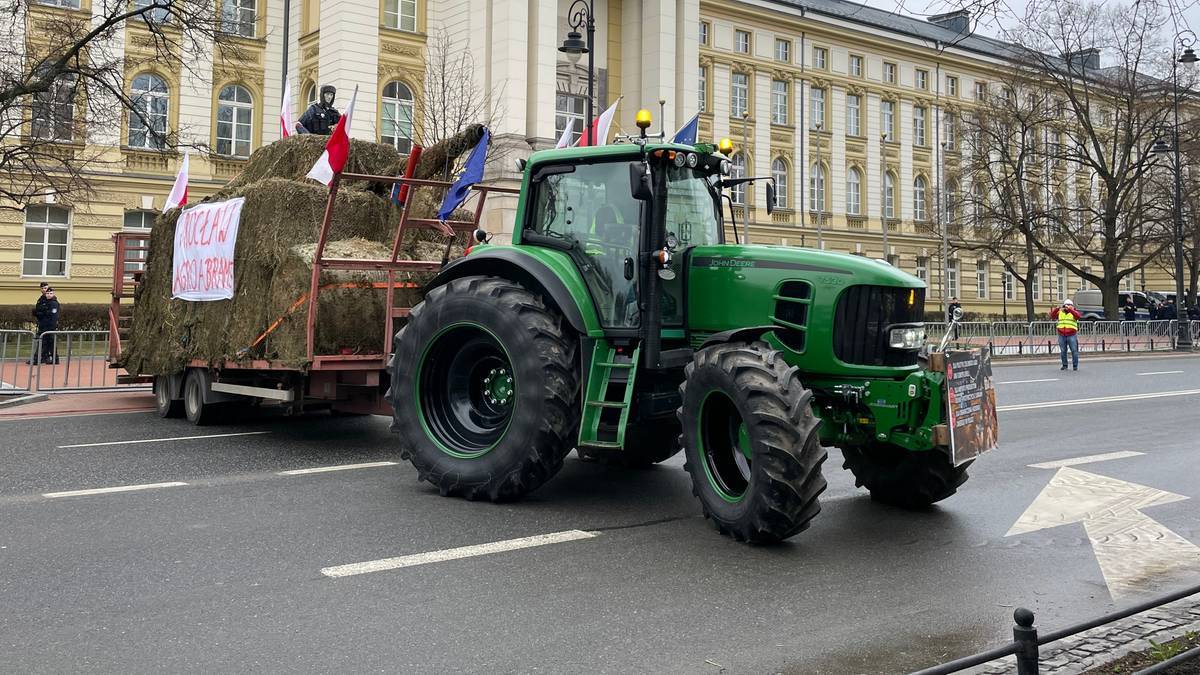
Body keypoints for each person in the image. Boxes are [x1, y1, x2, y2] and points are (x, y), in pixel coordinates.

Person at [1050, 298, 1081, 371]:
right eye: (1066, 305)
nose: (1067, 307)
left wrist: (1070, 310)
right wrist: (1057, 309)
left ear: (1072, 306)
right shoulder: (1060, 312)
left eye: (1069, 305)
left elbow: (1078, 316)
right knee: (1063, 351)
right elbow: (1052, 316)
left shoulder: (1074, 312)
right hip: (1061, 334)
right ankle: (1064, 365)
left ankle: (1075, 366)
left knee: (1074, 350)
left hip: (1072, 334)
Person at [32, 286, 60, 364]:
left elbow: (53, 317)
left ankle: (36, 359)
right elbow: (42, 313)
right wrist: (37, 313)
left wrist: (51, 327)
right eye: (47, 293)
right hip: (43, 326)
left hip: (49, 327)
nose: (48, 295)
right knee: (50, 344)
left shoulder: (53, 303)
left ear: (53, 294)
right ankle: (54, 359)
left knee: (43, 343)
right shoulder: (45, 302)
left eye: (50, 293)